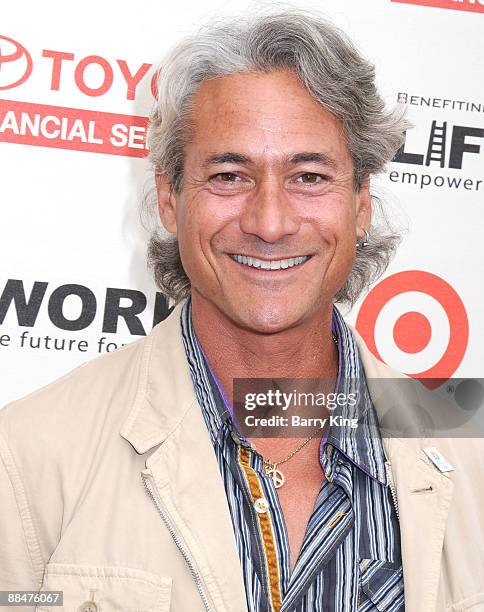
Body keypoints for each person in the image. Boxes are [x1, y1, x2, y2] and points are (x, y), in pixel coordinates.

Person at [1, 9, 483, 612]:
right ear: (169, 199)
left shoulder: (469, 457)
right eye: (229, 175)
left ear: (361, 204)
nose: (270, 222)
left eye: (309, 176)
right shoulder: (27, 453)